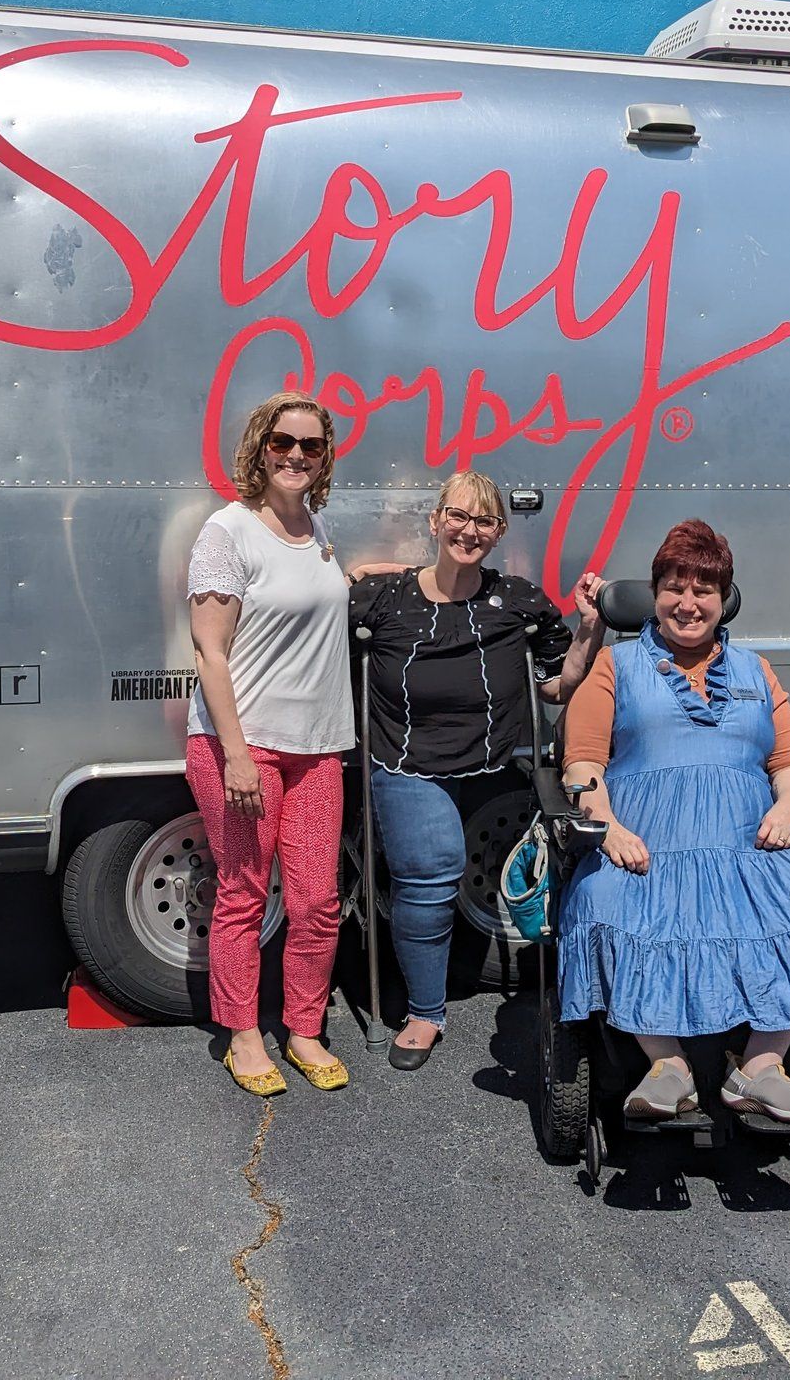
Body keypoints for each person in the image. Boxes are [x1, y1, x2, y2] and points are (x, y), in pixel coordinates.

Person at [555, 519, 790, 1124]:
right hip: (647, 842)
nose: (688, 604)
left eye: (704, 590)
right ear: (654, 593)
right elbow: (582, 763)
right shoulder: (616, 665)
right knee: (606, 899)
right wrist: (606, 825)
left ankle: (762, 1068)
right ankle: (668, 1066)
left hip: (746, 838)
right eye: (674, 587)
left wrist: (788, 805)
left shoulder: (755, 671)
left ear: (724, 600)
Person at [348, 471, 604, 1070]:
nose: (469, 529)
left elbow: (555, 686)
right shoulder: (382, 600)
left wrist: (588, 628)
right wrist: (362, 568)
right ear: (435, 522)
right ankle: (424, 1012)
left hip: (495, 761)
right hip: (410, 762)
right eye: (458, 516)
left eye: (484, 520)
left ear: (499, 532)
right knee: (433, 874)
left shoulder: (517, 599)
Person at [186, 392, 355, 1097]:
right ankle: (243, 1034)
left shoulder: (316, 528)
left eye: (310, 447)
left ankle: (304, 1028)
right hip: (243, 748)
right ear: (259, 448)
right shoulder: (227, 532)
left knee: (317, 901)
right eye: (282, 442)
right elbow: (209, 652)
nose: (295, 455)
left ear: (324, 459)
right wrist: (235, 755)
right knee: (244, 895)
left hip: (318, 749)